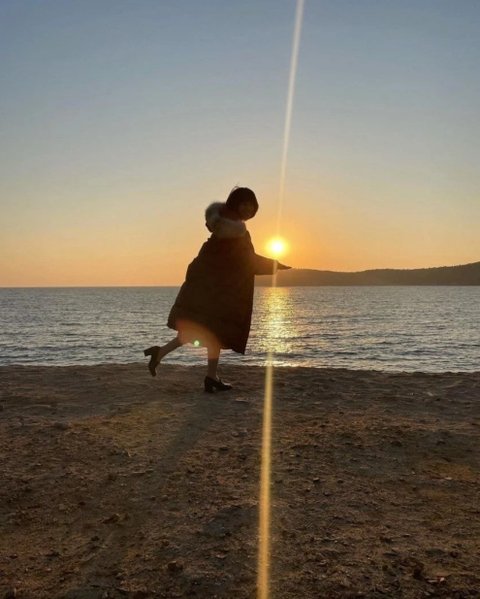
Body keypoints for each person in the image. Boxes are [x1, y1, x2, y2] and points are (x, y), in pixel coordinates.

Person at [144, 187, 290, 392]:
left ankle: (193, 368)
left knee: (209, 333)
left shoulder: (224, 228)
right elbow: (245, 261)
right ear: (235, 203)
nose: (249, 209)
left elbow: (223, 261)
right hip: (217, 293)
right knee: (209, 332)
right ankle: (197, 371)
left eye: (252, 205)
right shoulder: (234, 232)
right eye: (245, 204)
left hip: (212, 291)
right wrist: (274, 265)